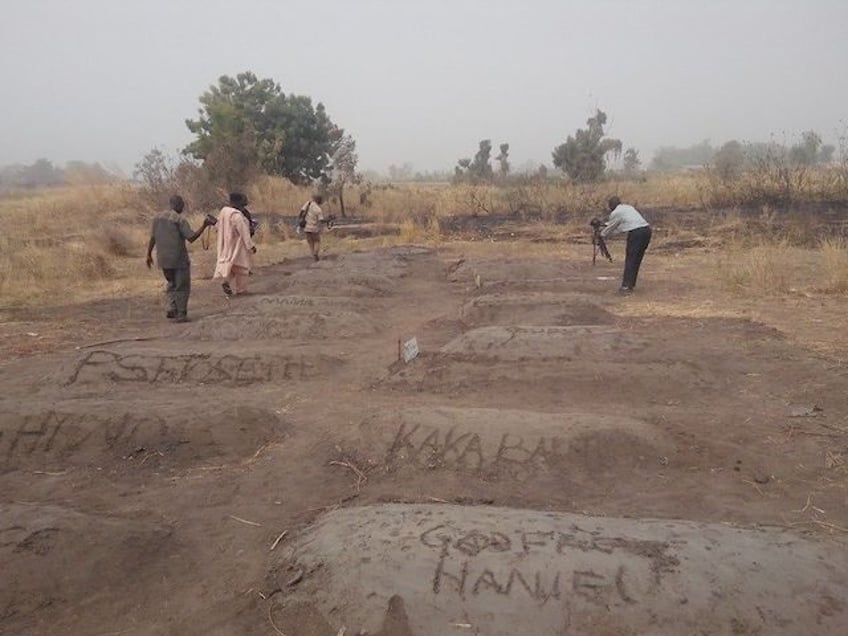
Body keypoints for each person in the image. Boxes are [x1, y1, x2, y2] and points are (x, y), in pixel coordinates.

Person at [146, 194, 213, 322]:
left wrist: (148, 254)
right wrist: (204, 225)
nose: (183, 206)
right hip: (178, 258)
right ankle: (181, 314)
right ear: (177, 204)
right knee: (182, 286)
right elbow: (191, 237)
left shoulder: (157, 218)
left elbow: (152, 238)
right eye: (182, 204)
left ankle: (172, 307)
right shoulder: (179, 220)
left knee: (171, 283)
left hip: (163, 258)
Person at [600, 196, 652, 293]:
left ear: (612, 205)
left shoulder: (616, 213)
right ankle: (631, 284)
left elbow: (612, 227)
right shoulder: (628, 207)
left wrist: (601, 235)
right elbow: (619, 224)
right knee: (636, 259)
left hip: (636, 233)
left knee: (631, 259)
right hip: (646, 231)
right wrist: (605, 225)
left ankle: (626, 287)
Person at [213, 192, 257, 296]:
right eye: (243, 202)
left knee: (233, 266)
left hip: (228, 244)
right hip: (238, 246)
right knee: (242, 268)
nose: (245, 204)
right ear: (238, 202)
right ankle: (241, 290)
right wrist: (251, 246)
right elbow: (244, 232)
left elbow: (218, 227)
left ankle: (226, 281)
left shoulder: (224, 212)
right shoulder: (236, 215)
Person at [298, 194, 325, 261]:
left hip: (306, 227)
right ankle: (316, 253)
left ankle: (313, 254)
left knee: (310, 242)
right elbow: (321, 220)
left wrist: (300, 218)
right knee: (317, 241)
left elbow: (302, 211)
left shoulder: (308, 203)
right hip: (314, 228)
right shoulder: (319, 210)